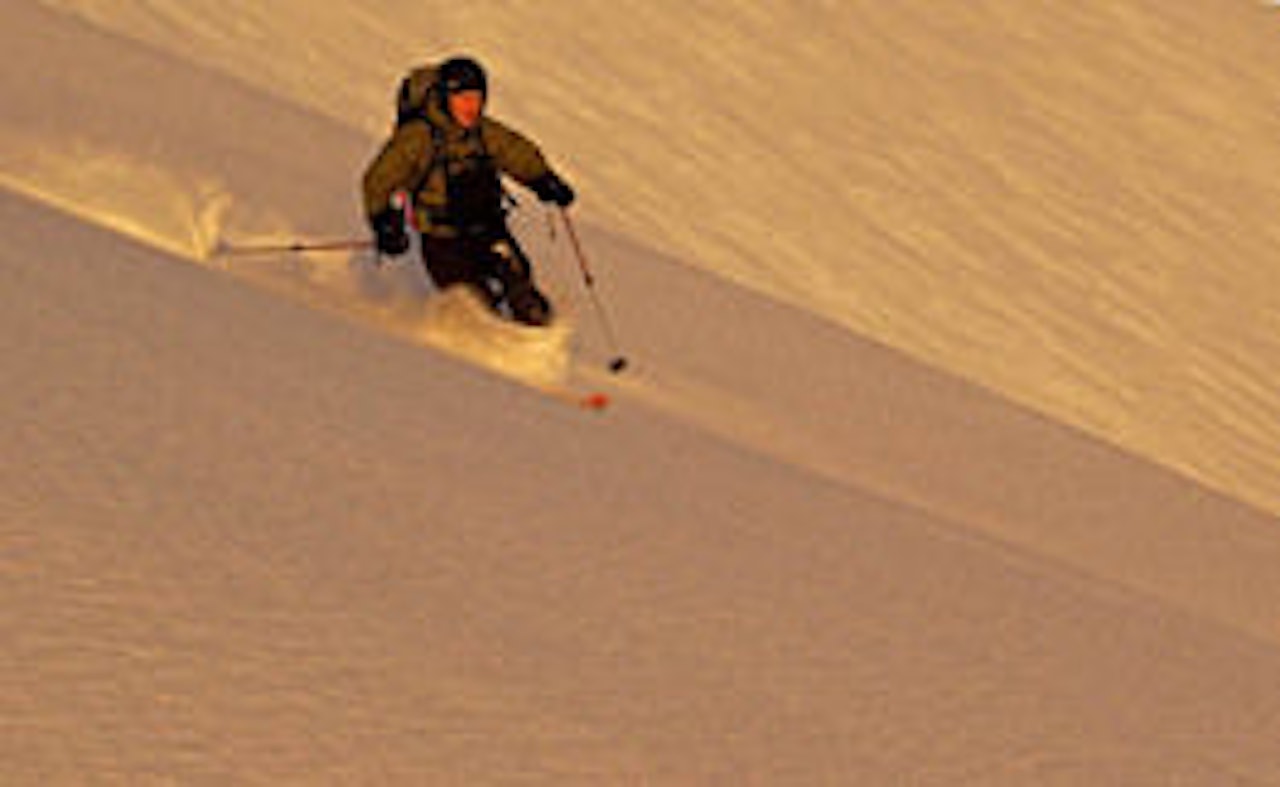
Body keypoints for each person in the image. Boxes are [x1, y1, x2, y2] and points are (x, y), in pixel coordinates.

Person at [362, 56, 575, 326]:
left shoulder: (482, 132)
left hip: (488, 229)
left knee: (519, 284)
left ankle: (538, 339)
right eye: (462, 99)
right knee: (474, 306)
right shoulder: (419, 137)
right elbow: (378, 180)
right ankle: (482, 354)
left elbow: (514, 150)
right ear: (444, 98)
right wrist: (384, 222)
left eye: (477, 98)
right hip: (444, 242)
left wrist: (543, 179)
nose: (471, 107)